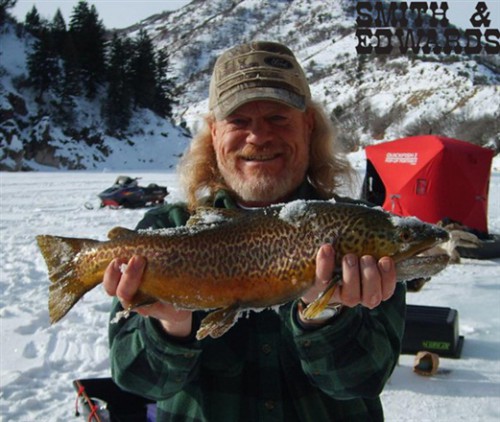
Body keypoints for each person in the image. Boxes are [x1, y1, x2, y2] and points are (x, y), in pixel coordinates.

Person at [104, 41, 405, 422]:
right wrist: (171, 325)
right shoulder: (164, 233)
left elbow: (364, 379)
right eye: (239, 121)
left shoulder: (359, 229)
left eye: (278, 118)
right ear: (214, 134)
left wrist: (324, 315)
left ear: (308, 126)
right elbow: (137, 381)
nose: (258, 137)